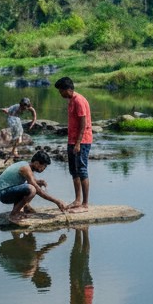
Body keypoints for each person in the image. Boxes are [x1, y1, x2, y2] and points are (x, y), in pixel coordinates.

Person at [0, 148, 68, 225]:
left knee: (30, 188)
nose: (43, 169)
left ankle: (24, 208)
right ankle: (13, 214)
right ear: (36, 163)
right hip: (4, 193)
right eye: (44, 166)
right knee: (32, 189)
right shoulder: (25, 168)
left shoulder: (26, 165)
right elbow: (36, 189)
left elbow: (31, 182)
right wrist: (56, 201)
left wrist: (38, 182)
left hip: (7, 191)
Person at [54, 76, 92, 213]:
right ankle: (77, 200)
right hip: (72, 141)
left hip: (82, 141)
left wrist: (78, 143)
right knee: (73, 171)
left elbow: (84, 123)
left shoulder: (79, 101)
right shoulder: (71, 101)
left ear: (68, 89)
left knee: (82, 170)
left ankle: (85, 204)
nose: (60, 94)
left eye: (61, 91)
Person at [0, 96, 37, 161]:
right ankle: (13, 151)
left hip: (17, 119)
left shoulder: (29, 108)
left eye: (25, 106)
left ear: (28, 105)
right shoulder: (16, 106)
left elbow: (34, 115)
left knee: (19, 139)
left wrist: (32, 123)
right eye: (22, 106)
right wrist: (6, 110)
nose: (24, 108)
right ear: (20, 104)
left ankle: (14, 151)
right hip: (11, 119)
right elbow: (8, 109)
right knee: (18, 135)